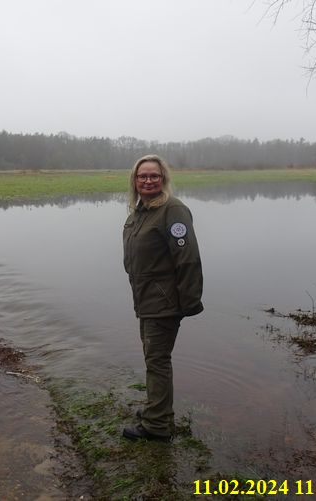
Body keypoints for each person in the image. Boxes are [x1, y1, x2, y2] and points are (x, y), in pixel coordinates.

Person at [122, 154, 204, 441]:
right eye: (142, 176)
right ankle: (158, 412)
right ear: (134, 180)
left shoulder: (173, 210)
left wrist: (188, 303)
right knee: (153, 358)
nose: (147, 180)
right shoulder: (141, 211)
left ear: (163, 178)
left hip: (164, 302)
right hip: (146, 299)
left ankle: (157, 427)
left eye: (154, 175)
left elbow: (188, 259)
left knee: (157, 360)